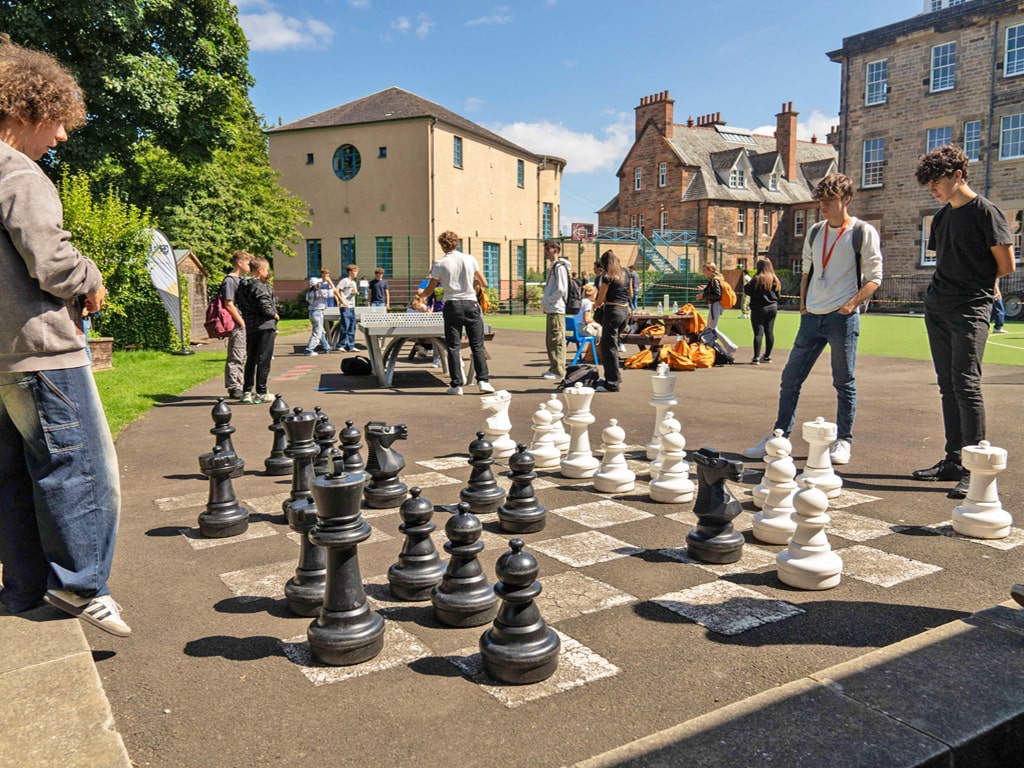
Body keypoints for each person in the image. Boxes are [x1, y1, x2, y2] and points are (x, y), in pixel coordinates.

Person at [0, 35, 129, 636]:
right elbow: (51, 262)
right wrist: (91, 275)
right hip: (45, 351)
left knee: (17, 475)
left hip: (2, 358)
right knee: (80, 468)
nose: (62, 136)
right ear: (24, 111)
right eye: (56, 122)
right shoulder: (18, 173)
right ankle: (81, 584)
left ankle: (24, 588)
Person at [743, 172, 883, 466]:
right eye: (821, 200)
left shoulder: (862, 231)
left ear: (846, 199)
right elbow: (805, 272)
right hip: (811, 318)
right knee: (790, 378)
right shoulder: (815, 231)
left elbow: (874, 278)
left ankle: (844, 440)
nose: (823, 206)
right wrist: (804, 307)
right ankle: (779, 436)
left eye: (830, 201)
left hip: (841, 319)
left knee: (844, 381)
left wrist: (850, 305)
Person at [911, 145, 1015, 498]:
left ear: (958, 175)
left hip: (971, 308)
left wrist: (984, 286)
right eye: (928, 184)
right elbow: (946, 260)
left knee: (966, 384)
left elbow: (1006, 265)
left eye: (936, 181)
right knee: (946, 385)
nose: (932, 189)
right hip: (938, 307)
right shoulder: (942, 217)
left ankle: (975, 466)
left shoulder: (986, 212)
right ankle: (953, 460)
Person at [415, 230, 495, 396]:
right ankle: (483, 382)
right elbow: (484, 282)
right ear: (457, 243)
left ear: (442, 245)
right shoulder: (470, 258)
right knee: (477, 345)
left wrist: (419, 297)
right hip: (471, 304)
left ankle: (457, 385)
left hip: (452, 305)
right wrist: (469, 282)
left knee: (453, 346)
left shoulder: (439, 264)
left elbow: (430, 289)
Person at [236, 257, 279, 405]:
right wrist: (274, 315)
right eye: (266, 270)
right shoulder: (259, 286)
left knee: (251, 358)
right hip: (265, 325)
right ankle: (261, 392)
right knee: (264, 360)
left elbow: (239, 303)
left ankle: (247, 391)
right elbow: (265, 304)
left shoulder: (242, 284)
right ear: (260, 270)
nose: (267, 273)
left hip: (251, 324)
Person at [592, 249, 633, 392]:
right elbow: (631, 293)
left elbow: (601, 298)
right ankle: (614, 377)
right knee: (613, 345)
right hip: (624, 311)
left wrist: (595, 306)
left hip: (612, 311)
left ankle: (612, 382)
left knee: (608, 347)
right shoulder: (626, 273)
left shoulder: (607, 276)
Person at [220, 250, 251, 398]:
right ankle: (234, 387)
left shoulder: (241, 280)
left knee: (242, 355)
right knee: (236, 354)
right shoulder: (230, 281)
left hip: (242, 322)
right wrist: (242, 322)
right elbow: (228, 303)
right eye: (247, 262)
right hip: (236, 324)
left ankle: (240, 383)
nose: (249, 266)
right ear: (240, 263)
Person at [540, 239, 570, 381]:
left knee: (557, 339)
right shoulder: (554, 267)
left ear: (555, 250)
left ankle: (558, 370)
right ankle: (554, 367)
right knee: (551, 339)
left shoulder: (560, 267)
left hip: (556, 308)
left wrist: (549, 300)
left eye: (548, 249)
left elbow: (561, 289)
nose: (545, 252)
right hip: (552, 308)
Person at [744, 258, 781, 364]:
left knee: (758, 333)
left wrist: (748, 283)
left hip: (759, 308)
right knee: (769, 332)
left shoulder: (756, 279)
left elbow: (748, 291)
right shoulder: (775, 279)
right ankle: (767, 356)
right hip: (772, 307)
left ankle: (756, 357)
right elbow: (778, 295)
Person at [303, 268, 340, 356]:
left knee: (321, 331)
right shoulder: (321, 292)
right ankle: (309, 350)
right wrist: (330, 282)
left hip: (311, 312)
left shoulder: (309, 293)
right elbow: (334, 291)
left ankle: (326, 347)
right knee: (317, 333)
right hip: (318, 312)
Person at [335, 263, 359, 352]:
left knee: (352, 326)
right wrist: (342, 301)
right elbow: (336, 290)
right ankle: (341, 345)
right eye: (354, 271)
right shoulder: (344, 281)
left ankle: (351, 345)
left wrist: (355, 292)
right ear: (350, 272)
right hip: (345, 306)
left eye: (356, 272)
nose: (356, 273)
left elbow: (352, 292)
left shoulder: (353, 282)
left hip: (352, 306)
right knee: (345, 325)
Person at [697, 262, 724, 329]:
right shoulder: (715, 278)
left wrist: (703, 296)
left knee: (713, 327)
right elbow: (715, 290)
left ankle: (718, 339)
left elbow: (717, 294)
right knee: (710, 326)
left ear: (710, 270)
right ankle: (710, 339)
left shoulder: (715, 280)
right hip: (714, 305)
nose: (703, 272)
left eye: (704, 270)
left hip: (715, 304)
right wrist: (706, 288)